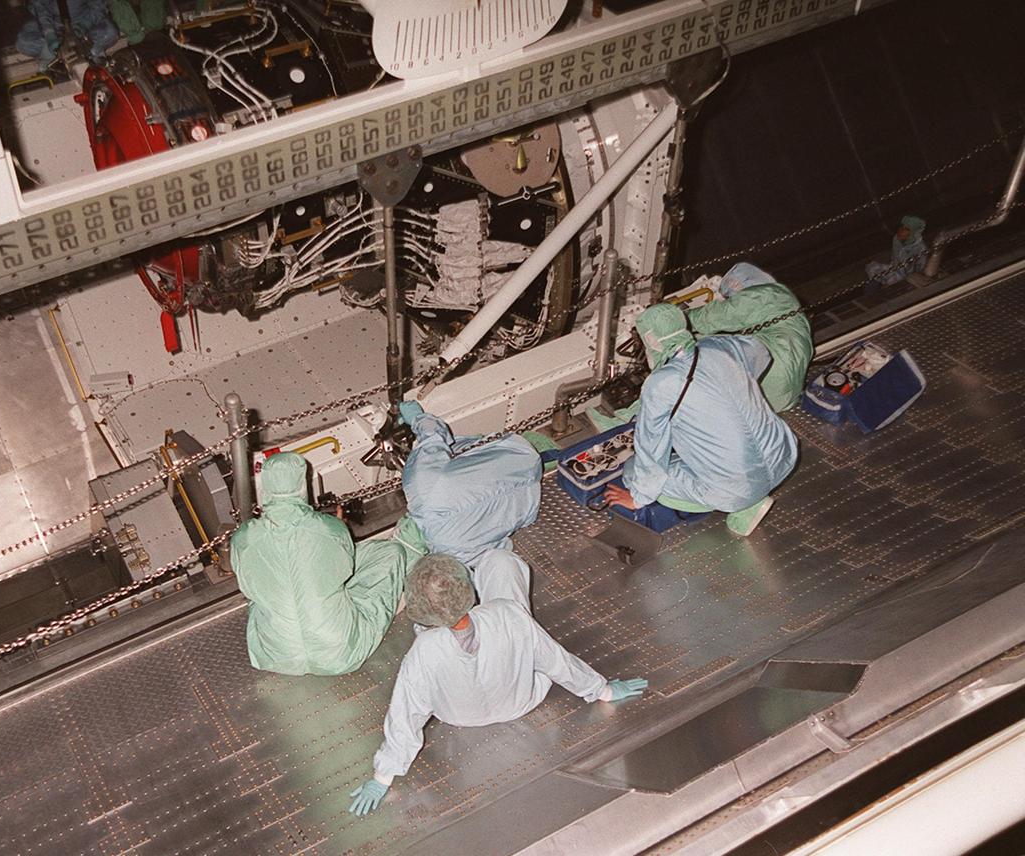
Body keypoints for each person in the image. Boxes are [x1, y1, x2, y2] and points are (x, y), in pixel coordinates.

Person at [347, 551, 648, 817]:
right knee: (500, 561)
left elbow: (405, 715)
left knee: (490, 586)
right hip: (521, 700)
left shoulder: (422, 653)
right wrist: (603, 689)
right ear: (467, 590)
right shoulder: (508, 615)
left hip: (459, 715)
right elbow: (557, 662)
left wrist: (382, 777)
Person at [602, 303, 798, 537]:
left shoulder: (661, 384)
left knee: (634, 471)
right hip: (784, 456)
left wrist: (638, 497)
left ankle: (746, 504)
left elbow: (651, 449)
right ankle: (752, 493)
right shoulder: (721, 346)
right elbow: (760, 352)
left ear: (651, 342)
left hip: (737, 490)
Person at [230, 453, 426, 677]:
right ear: (303, 485)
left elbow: (247, 582)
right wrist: (338, 526)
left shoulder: (243, 538)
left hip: (275, 655)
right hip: (340, 654)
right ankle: (404, 582)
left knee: (264, 593)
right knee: (391, 552)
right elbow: (346, 566)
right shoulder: (326, 529)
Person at [397, 400, 542, 565]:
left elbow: (501, 546)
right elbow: (433, 435)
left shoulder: (454, 555)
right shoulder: (419, 489)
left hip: (530, 502)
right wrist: (417, 418)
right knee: (447, 451)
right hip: (517, 450)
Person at [686, 262, 813, 413]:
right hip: (784, 396)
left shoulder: (761, 295)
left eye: (729, 297)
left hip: (769, 381)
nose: (729, 299)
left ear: (736, 284)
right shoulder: (781, 296)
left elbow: (714, 318)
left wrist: (672, 319)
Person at [16, 0, 119, 69]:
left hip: (84, 20)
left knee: (111, 32)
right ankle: (54, 54)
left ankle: (91, 54)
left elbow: (98, 7)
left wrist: (83, 26)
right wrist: (49, 34)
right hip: (53, 22)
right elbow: (40, 9)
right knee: (23, 42)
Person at [865, 215, 928, 288]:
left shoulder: (921, 249)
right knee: (871, 268)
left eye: (906, 228)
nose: (901, 230)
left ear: (913, 232)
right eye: (902, 227)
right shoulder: (897, 240)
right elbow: (895, 258)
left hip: (907, 277)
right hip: (895, 269)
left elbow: (919, 269)